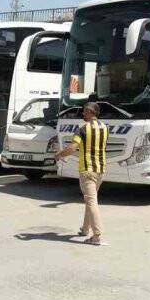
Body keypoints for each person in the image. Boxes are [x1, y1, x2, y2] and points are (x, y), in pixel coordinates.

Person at [54, 102, 109, 246]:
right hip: (100, 170)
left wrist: (60, 154)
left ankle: (96, 236)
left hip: (87, 170)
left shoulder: (83, 129)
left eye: (85, 111)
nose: (83, 114)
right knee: (90, 199)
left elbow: (72, 148)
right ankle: (85, 229)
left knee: (91, 201)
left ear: (91, 112)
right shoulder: (105, 128)